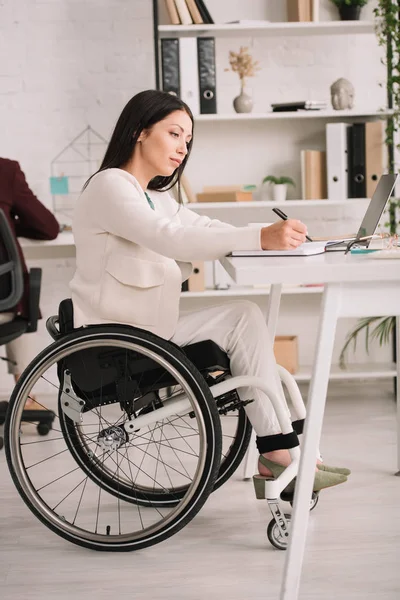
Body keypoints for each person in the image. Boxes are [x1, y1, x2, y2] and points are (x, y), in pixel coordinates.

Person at [69, 89, 350, 498]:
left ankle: (281, 449)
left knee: (246, 317)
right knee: (243, 318)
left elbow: (203, 227)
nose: (183, 147)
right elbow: (172, 239)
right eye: (174, 133)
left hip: (147, 331)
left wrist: (269, 237)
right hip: (119, 342)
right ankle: (280, 452)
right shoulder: (111, 186)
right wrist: (261, 236)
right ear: (140, 132)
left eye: (188, 139)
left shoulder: (154, 196)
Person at [0, 158, 59, 403]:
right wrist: (9, 224)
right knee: (14, 301)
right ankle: (27, 401)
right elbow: (48, 227)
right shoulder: (5, 171)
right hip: (5, 303)